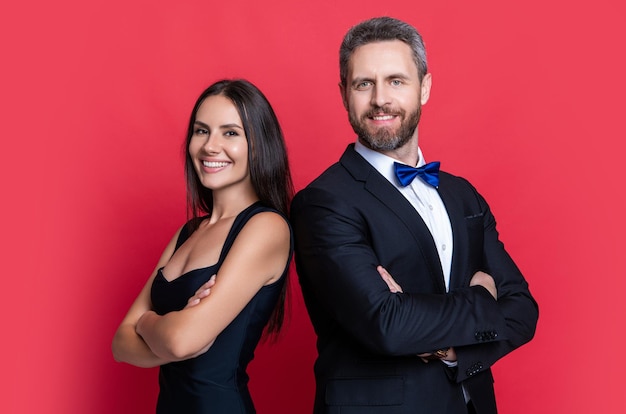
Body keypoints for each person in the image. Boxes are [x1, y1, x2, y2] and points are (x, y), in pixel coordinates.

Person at [290, 17, 538, 414]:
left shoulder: (462, 195)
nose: (380, 100)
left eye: (396, 81)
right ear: (343, 94)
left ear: (424, 88)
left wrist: (448, 349)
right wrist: (479, 299)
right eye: (363, 84)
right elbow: (386, 324)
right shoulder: (323, 203)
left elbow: (522, 309)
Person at [112, 79, 294, 413]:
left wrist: (146, 323)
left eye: (230, 133)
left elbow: (182, 341)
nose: (210, 146)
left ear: (259, 144)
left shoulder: (267, 227)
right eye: (201, 131)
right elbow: (120, 345)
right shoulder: (188, 231)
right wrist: (169, 332)